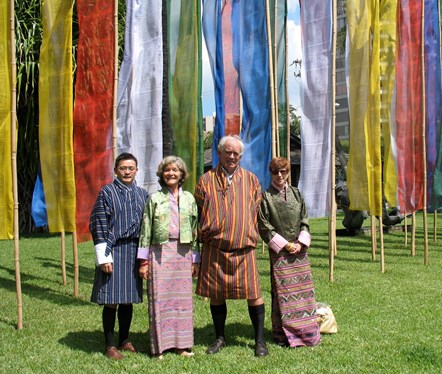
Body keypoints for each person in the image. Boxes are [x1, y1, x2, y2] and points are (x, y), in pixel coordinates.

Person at [194, 135, 268, 357]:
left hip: (243, 249)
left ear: (241, 156)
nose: (232, 156)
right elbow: (198, 211)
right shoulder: (205, 180)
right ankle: (219, 337)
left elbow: (256, 210)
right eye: (228, 152)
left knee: (254, 293)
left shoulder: (252, 180)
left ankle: (260, 341)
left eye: (236, 153)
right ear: (219, 153)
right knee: (216, 294)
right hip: (215, 249)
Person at [137, 156, 199, 359]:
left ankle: (181, 345)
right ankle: (159, 347)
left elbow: (196, 230)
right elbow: (146, 230)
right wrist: (144, 261)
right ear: (162, 175)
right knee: (160, 299)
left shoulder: (189, 198)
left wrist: (195, 260)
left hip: (183, 252)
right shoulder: (154, 199)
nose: (171, 173)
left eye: (175, 170)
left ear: (182, 174)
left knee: (182, 301)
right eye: (167, 170)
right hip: (159, 252)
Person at [90, 152, 148, 360]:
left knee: (128, 300)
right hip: (113, 250)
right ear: (116, 170)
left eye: (131, 168)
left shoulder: (143, 195)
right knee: (111, 300)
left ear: (136, 170)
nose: (127, 172)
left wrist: (145, 257)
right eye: (123, 168)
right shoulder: (107, 193)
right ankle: (109, 345)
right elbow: (99, 223)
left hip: (134, 251)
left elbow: (148, 227)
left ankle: (124, 339)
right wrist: (104, 257)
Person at [258, 157, 321, 347]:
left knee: (303, 292)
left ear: (287, 173)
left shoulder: (296, 194)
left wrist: (301, 242)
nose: (279, 176)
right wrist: (286, 245)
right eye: (275, 172)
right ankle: (284, 334)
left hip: (299, 252)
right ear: (270, 173)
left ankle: (307, 332)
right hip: (280, 253)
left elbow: (305, 219)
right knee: (282, 292)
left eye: (283, 171)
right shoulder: (265, 197)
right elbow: (264, 226)